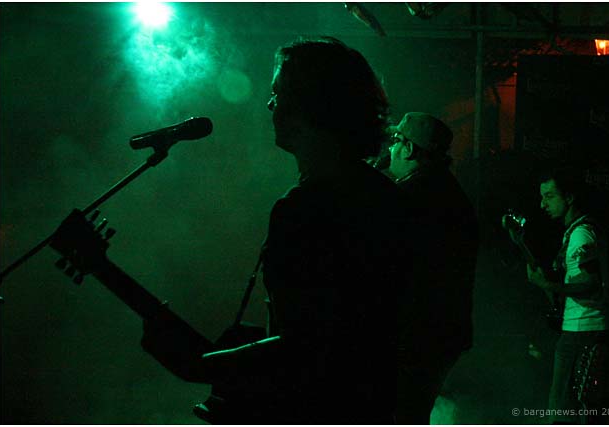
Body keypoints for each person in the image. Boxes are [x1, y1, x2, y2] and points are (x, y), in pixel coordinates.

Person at [142, 36, 409, 424]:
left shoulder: (305, 208)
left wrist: (197, 367)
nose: (270, 104)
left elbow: (307, 349)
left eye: (278, 93)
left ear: (309, 104)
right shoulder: (385, 196)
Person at [386, 112, 479, 424]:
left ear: (410, 149)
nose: (390, 149)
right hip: (445, 333)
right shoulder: (453, 195)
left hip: (414, 334)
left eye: (396, 141)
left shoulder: (408, 196)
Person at [526, 167, 609, 424]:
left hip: (583, 331)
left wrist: (547, 284)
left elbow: (590, 283)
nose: (543, 204)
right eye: (541, 197)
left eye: (550, 196)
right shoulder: (578, 231)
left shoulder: (581, 234)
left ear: (570, 197)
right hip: (582, 329)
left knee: (562, 410)